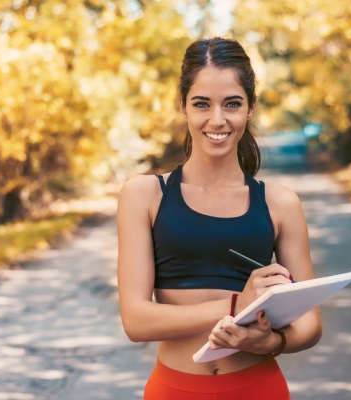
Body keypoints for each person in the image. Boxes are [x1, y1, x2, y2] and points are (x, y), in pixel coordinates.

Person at [116, 37, 322, 399]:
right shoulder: (145, 196)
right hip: (174, 390)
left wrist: (270, 341)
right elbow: (136, 320)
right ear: (182, 106)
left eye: (232, 104)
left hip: (259, 388)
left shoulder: (280, 203)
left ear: (250, 108)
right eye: (201, 104)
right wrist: (235, 305)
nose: (217, 119)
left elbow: (310, 324)